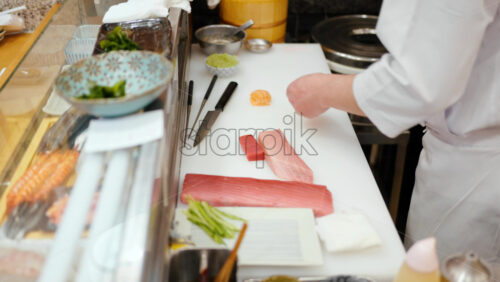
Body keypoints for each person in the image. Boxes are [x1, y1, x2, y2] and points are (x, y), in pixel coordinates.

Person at [287, 0, 500, 266]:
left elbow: (419, 84)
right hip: (473, 149)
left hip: (478, 171)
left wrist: (322, 90)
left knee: (435, 271)